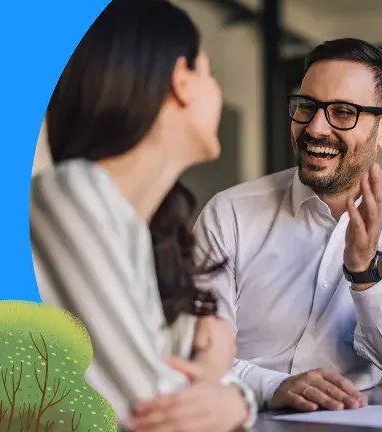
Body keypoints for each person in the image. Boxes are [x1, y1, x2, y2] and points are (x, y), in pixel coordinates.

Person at [29, 1, 256, 430]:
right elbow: (153, 411)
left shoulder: (148, 232)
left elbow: (196, 384)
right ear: (180, 81)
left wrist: (231, 393)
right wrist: (231, 391)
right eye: (208, 71)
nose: (218, 90)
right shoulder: (69, 196)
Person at [193, 38, 382, 412]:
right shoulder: (229, 213)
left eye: (343, 112)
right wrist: (273, 387)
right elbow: (193, 353)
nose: (315, 128)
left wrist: (366, 273)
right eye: (306, 106)